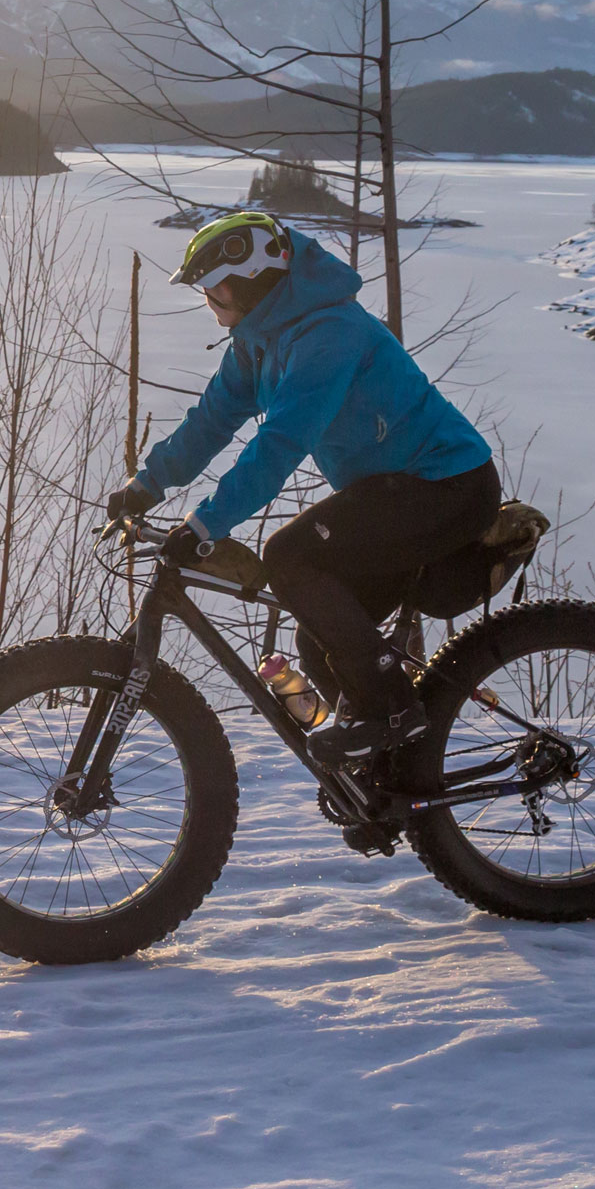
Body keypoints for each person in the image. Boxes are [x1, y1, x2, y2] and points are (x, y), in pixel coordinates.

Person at [103, 210, 500, 772]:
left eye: (216, 293)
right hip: (393, 491)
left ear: (253, 281)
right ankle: (391, 783)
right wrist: (147, 484)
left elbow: (281, 443)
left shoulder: (330, 335)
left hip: (446, 487)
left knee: (289, 556)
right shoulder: (259, 339)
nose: (212, 308)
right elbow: (214, 419)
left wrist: (207, 524)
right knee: (321, 639)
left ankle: (390, 714)